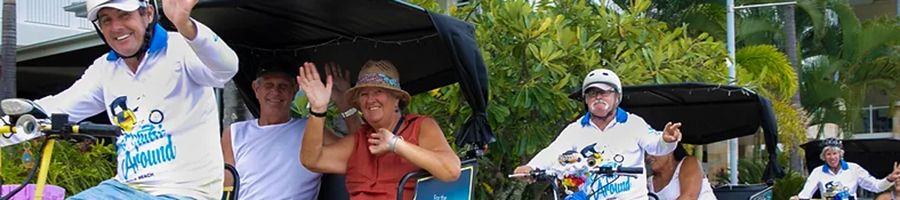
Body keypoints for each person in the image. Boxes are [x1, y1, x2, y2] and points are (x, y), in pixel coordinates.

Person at [30, 0, 239, 199]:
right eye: (106, 20)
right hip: (123, 188)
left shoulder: (181, 48)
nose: (116, 27)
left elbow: (226, 68)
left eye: (124, 15)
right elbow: (55, 109)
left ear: (147, 14)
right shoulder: (105, 68)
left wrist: (185, 25)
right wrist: (14, 118)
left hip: (186, 191)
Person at [297, 60, 461, 200]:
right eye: (364, 94)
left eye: (378, 91)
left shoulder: (420, 127)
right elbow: (312, 160)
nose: (370, 99)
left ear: (396, 99)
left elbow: (451, 171)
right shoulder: (359, 139)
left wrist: (395, 144)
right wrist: (318, 110)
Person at [512, 69, 683, 199]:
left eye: (605, 92)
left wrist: (667, 140)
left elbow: (656, 145)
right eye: (593, 93)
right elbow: (554, 151)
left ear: (617, 97)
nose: (598, 97)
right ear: (586, 99)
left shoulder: (633, 123)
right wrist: (531, 167)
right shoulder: (576, 129)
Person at [220, 65, 358, 200]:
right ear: (256, 89)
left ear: (294, 91)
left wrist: (343, 103)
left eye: (283, 86)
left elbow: (360, 152)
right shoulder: (234, 132)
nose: (275, 92)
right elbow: (227, 183)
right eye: (269, 85)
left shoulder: (311, 129)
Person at [794, 138, 899, 200]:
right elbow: (806, 193)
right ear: (824, 157)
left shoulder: (854, 169)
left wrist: (890, 178)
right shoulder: (818, 172)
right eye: (828, 154)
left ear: (840, 155)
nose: (832, 157)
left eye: (835, 153)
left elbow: (876, 186)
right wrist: (798, 198)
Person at [646, 144, 717, 200]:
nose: (648, 157)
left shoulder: (689, 162)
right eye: (646, 153)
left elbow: (689, 197)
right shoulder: (649, 183)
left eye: (652, 151)